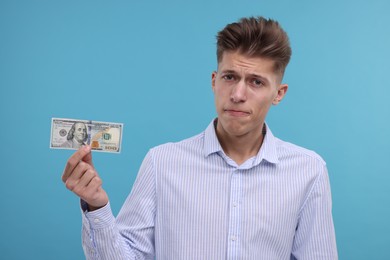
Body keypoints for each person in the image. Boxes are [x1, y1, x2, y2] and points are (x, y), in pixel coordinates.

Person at [62, 16, 338, 259]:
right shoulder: (162, 162)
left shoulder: (308, 170)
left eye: (256, 82)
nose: (238, 94)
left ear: (279, 93)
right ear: (214, 81)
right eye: (230, 77)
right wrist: (96, 205)